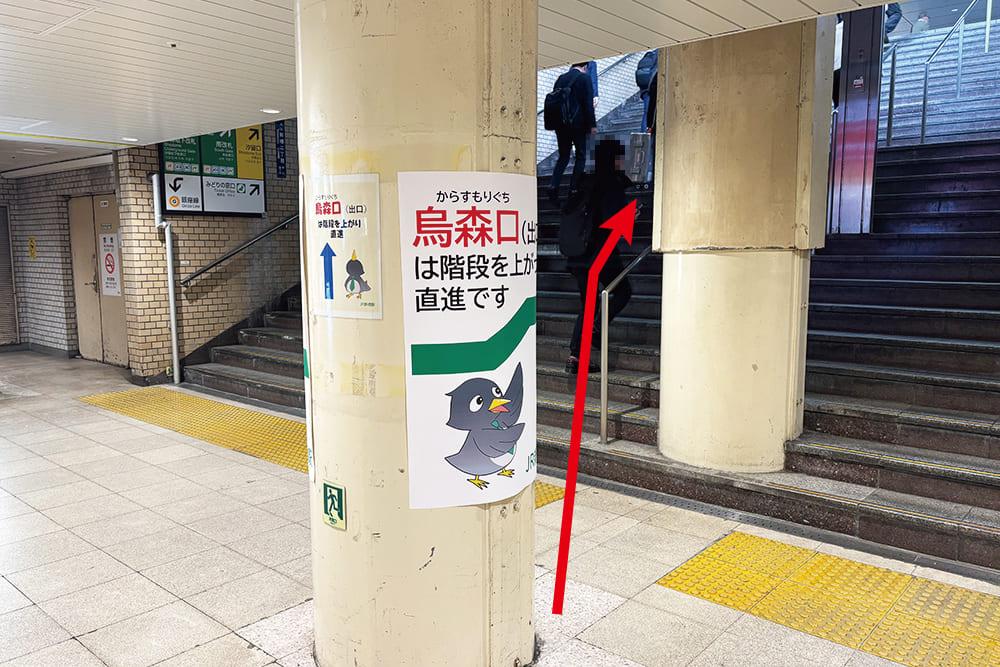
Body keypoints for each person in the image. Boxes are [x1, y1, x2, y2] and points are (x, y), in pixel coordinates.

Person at [562, 139, 634, 373]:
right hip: (599, 254)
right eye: (620, 157)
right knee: (623, 291)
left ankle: (576, 356)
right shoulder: (611, 184)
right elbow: (614, 220)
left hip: (577, 255)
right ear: (614, 159)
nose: (622, 162)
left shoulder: (584, 182)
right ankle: (595, 330)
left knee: (589, 304)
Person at [548, 62, 598, 203]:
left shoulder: (561, 78)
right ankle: (573, 188)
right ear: (586, 67)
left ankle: (553, 185)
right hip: (578, 124)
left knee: (563, 156)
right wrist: (592, 125)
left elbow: (556, 101)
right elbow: (588, 104)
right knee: (581, 155)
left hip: (561, 124)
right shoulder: (585, 79)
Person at [635, 50, 658, 131]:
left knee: (646, 112)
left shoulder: (648, 55)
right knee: (650, 112)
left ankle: (644, 133)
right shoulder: (660, 53)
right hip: (652, 88)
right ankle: (647, 132)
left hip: (644, 89)